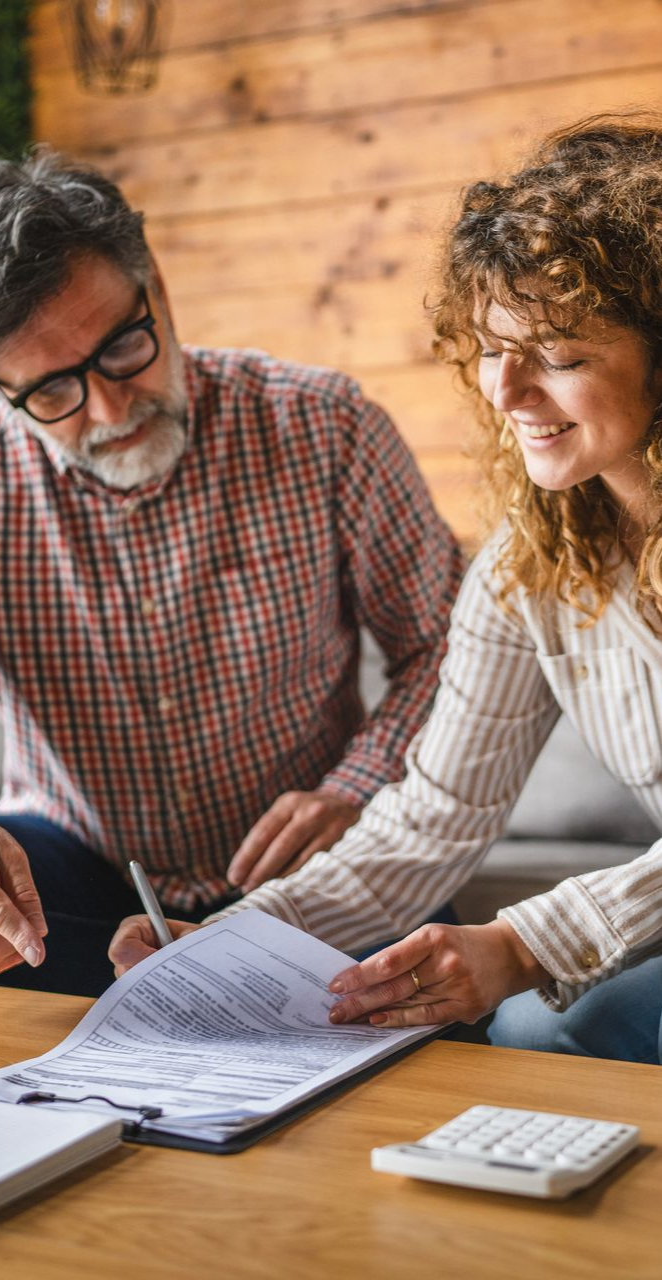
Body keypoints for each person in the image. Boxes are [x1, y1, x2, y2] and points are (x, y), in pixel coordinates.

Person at [111, 113, 662, 1066]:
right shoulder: (526, 566)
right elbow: (434, 815)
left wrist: (525, 944)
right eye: (492, 347)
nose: (507, 392)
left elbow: (532, 951)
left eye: (560, 357)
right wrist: (236, 936)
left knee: (538, 1023)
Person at [0, 150, 463, 999]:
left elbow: (446, 647)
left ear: (160, 292)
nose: (110, 409)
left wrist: (356, 790)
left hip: (315, 858)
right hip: (80, 875)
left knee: (406, 1005)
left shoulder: (325, 425)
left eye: (123, 349)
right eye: (54, 392)